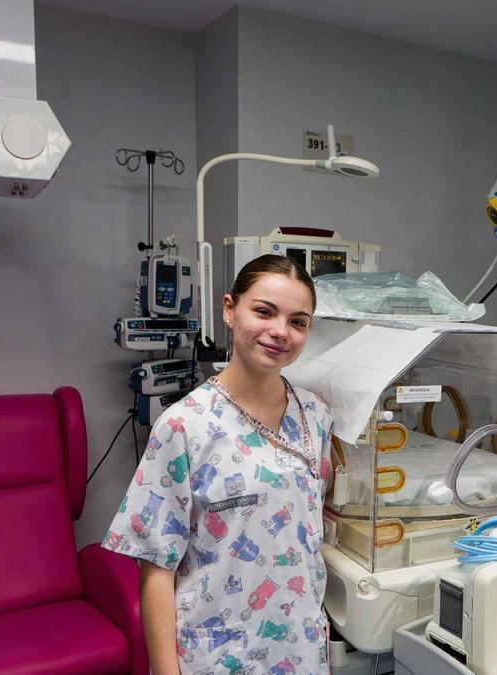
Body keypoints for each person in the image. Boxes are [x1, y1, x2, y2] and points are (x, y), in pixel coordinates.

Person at [103, 254, 334, 675]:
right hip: (219, 653)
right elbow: (157, 567)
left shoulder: (316, 416)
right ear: (229, 309)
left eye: (298, 321)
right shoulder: (183, 426)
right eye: (264, 311)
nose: (280, 332)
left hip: (299, 646)